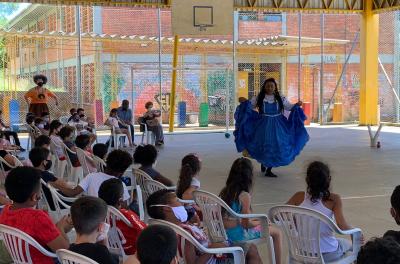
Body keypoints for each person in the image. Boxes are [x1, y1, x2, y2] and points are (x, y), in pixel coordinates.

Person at [147, 189, 263, 264]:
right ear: (167, 208)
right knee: (251, 250)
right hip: (214, 259)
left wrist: (194, 225)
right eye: (177, 200)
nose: (181, 203)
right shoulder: (185, 235)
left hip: (212, 251)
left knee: (249, 249)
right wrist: (212, 249)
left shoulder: (173, 227)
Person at [286, 161, 362, 262]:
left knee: (341, 243)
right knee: (350, 245)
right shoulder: (334, 200)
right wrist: (356, 232)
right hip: (327, 254)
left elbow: (277, 216)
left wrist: (295, 221)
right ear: (328, 180)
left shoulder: (298, 197)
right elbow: (342, 226)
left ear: (307, 180)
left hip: (302, 253)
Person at [234, 78, 309, 177]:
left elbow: (289, 107)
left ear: (275, 87)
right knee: (263, 144)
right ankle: (264, 162)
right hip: (262, 124)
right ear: (264, 87)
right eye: (268, 86)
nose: (270, 88)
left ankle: (269, 169)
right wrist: (244, 102)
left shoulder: (280, 98)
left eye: (272, 86)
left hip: (278, 125)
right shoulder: (259, 97)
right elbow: (249, 106)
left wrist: (296, 105)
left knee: (276, 145)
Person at [0, 167, 72, 264]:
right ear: (35, 197)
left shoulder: (5, 210)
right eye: (40, 191)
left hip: (20, 259)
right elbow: (65, 251)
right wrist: (61, 227)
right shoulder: (37, 217)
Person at [219, 157, 282, 264]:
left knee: (265, 226)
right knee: (277, 232)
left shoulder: (225, 192)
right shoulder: (244, 195)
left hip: (225, 233)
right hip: (239, 234)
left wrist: (256, 221)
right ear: (248, 177)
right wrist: (261, 222)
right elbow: (246, 224)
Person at [61, 150, 132, 206]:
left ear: (106, 163)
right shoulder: (121, 185)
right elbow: (124, 208)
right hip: (110, 220)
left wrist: (56, 185)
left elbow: (73, 193)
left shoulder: (91, 176)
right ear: (122, 172)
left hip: (92, 215)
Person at [99, 178, 146, 255]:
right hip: (133, 250)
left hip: (114, 248)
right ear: (120, 200)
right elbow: (145, 231)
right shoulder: (127, 214)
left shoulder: (100, 213)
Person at [69, 196, 118, 264]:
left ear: (73, 222)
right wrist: (105, 248)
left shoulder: (69, 250)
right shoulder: (100, 252)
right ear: (101, 227)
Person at [176, 153, 202, 223]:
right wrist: (195, 204)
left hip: (180, 208)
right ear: (197, 170)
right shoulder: (195, 182)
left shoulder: (182, 179)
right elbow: (185, 196)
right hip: (189, 211)